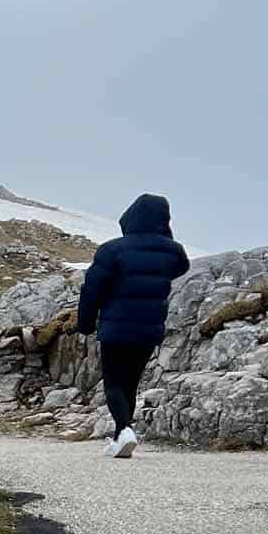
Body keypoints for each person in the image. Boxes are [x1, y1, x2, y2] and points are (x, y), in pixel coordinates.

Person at [77, 193, 189, 458]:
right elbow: (180, 268)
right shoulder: (173, 251)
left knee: (114, 381)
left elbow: (92, 288)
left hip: (116, 326)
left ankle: (125, 429)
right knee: (131, 382)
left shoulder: (113, 249)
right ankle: (120, 437)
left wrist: (85, 323)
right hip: (149, 329)